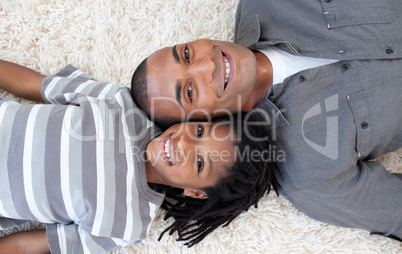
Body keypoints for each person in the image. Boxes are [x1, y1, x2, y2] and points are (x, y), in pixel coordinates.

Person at [131, 0, 402, 242]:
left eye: (187, 55)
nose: (208, 65)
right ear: (200, 121)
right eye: (189, 92)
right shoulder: (307, 172)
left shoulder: (265, 4)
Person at [0, 60, 278, 253]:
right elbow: (37, 86)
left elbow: (32, 244)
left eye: (200, 162)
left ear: (195, 193)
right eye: (199, 130)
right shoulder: (122, 104)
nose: (183, 143)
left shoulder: (128, 222)